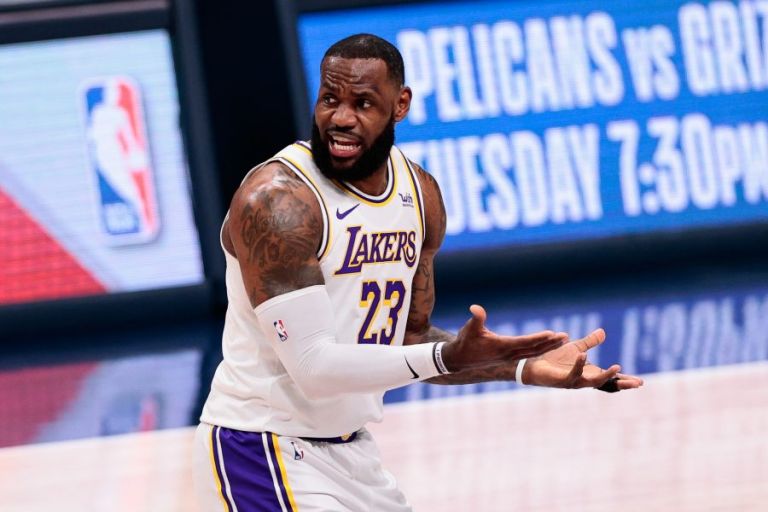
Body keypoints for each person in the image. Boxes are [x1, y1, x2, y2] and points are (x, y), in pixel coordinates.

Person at [193, 34, 643, 511]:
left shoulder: (419, 194)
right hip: (260, 448)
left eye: (363, 103)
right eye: (330, 99)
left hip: (352, 452)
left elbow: (410, 340)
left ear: (400, 105)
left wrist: (521, 366)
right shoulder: (279, 201)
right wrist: (448, 356)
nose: (341, 118)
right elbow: (315, 369)